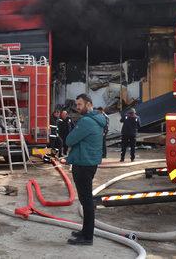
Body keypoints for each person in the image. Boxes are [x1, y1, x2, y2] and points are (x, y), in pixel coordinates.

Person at [65, 94, 106, 246]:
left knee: (86, 200)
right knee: (85, 199)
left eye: (80, 104)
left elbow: (69, 140)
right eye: (77, 104)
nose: (77, 107)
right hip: (89, 162)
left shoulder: (87, 121)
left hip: (83, 163)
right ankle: (85, 231)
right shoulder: (98, 119)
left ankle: (87, 237)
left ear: (89, 104)